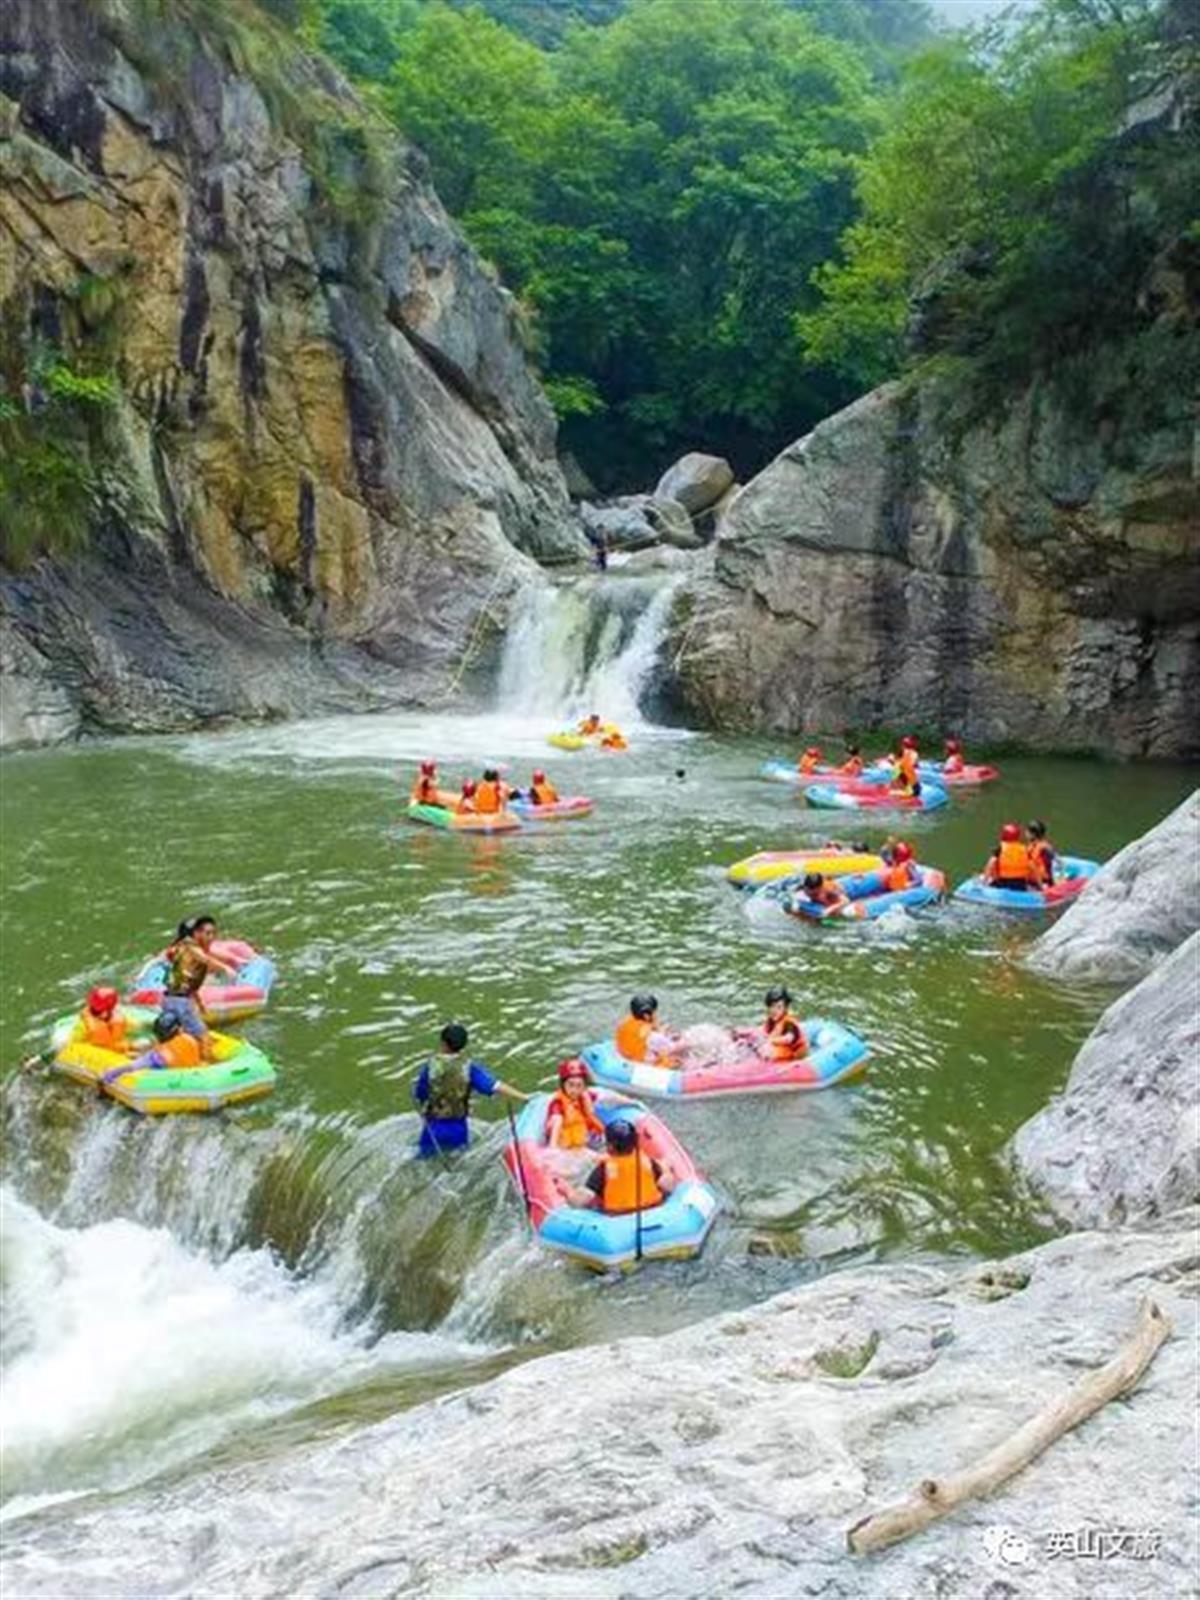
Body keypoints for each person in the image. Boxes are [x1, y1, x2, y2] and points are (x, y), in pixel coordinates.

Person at [412, 1023, 527, 1158]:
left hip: (433, 1129)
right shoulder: (469, 1068)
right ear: (463, 1045)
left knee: (424, 1160)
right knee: (459, 1163)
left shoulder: (430, 1067)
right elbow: (494, 1086)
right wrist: (524, 1097)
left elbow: (420, 1094)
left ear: (443, 1043)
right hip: (459, 1129)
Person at [163, 915, 240, 1060]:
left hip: (170, 999)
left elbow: (186, 981)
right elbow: (205, 960)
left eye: (213, 934)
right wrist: (225, 969)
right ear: (195, 934)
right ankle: (207, 1066)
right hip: (180, 1002)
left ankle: (175, 1059)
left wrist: (199, 1003)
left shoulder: (180, 948)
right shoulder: (191, 948)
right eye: (206, 933)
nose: (211, 937)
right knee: (203, 1036)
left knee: (176, 1033)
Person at [570, 1118, 675, 1213]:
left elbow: (580, 1200)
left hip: (618, 1217)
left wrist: (566, 1191)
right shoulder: (647, 1161)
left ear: (610, 1147)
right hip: (652, 1209)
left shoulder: (603, 1169)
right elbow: (667, 1186)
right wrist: (666, 1171)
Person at [103, 1010, 202, 1084]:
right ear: (180, 1030)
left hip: (170, 1084)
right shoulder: (190, 1040)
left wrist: (110, 1074)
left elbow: (133, 1066)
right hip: (193, 1079)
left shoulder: (158, 1055)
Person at [545, 1059, 605, 1150]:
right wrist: (552, 1148)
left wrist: (632, 1102)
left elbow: (606, 1097)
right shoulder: (557, 1104)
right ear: (563, 1084)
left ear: (583, 1086)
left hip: (585, 1140)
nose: (575, 1090)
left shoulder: (584, 1096)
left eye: (579, 1085)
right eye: (571, 1085)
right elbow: (556, 1120)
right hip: (566, 1148)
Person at [614, 994, 679, 1064]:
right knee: (679, 1052)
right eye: (653, 1011)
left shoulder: (626, 1023)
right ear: (646, 1016)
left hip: (626, 1057)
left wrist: (662, 1032)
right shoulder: (653, 1037)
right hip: (643, 1065)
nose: (655, 1013)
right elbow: (673, 1048)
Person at [74, 985, 135, 1053]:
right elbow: (76, 1047)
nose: (100, 1014)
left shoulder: (118, 1019)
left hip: (117, 1049)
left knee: (143, 1044)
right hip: (98, 1054)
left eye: (102, 1010)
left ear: (111, 1009)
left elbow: (132, 1029)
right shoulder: (84, 1025)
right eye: (95, 1011)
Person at [761, 985, 807, 1061]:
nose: (774, 1010)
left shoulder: (789, 1023)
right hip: (780, 1048)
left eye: (779, 1007)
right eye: (772, 1006)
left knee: (769, 1051)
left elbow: (789, 1038)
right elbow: (764, 1033)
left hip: (793, 1053)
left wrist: (770, 1040)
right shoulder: (771, 1021)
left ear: (785, 1008)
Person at [984, 822, 1034, 890]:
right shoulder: (1024, 850)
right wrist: (1040, 885)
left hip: (1003, 883)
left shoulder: (1000, 848)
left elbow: (991, 864)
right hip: (1020, 884)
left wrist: (984, 881)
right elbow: (1033, 867)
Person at [1027, 819, 1056, 887]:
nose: (1025, 833)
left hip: (1041, 881)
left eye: (1027, 832)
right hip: (1036, 880)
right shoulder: (1032, 846)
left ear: (1033, 834)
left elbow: (1033, 867)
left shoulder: (1042, 847)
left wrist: (1041, 886)